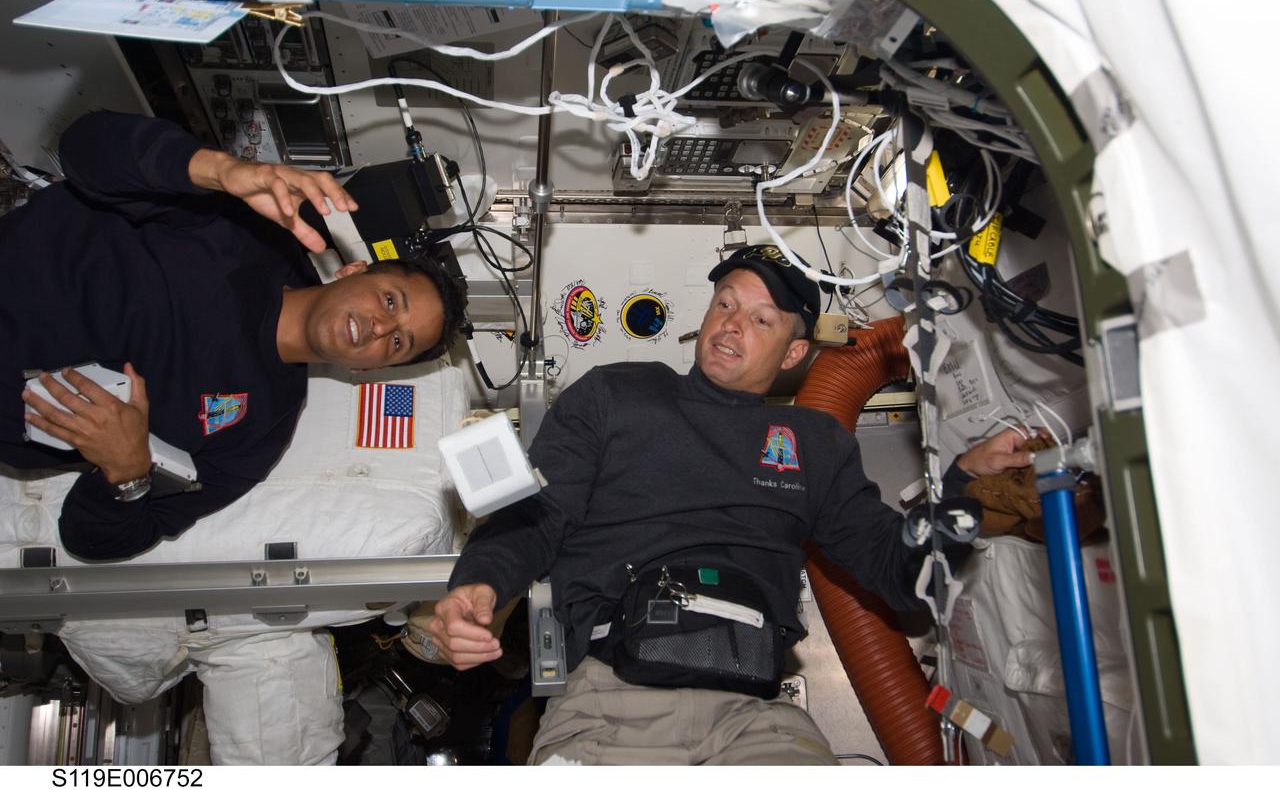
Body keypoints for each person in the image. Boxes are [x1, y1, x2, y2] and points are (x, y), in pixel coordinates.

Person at [425, 243, 1035, 765]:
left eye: (762, 319)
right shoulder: (616, 393)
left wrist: (960, 491)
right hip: (612, 702)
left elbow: (897, 572)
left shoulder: (815, 444)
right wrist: (480, 582)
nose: (733, 324)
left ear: (793, 354)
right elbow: (538, 515)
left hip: (756, 717)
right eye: (725, 304)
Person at [0, 111, 466, 560]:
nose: (381, 327)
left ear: (367, 369)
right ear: (354, 270)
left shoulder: (257, 434)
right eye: (390, 301)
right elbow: (83, 146)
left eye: (398, 343)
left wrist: (126, 471)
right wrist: (218, 170)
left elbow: (96, 541)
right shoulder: (243, 228)